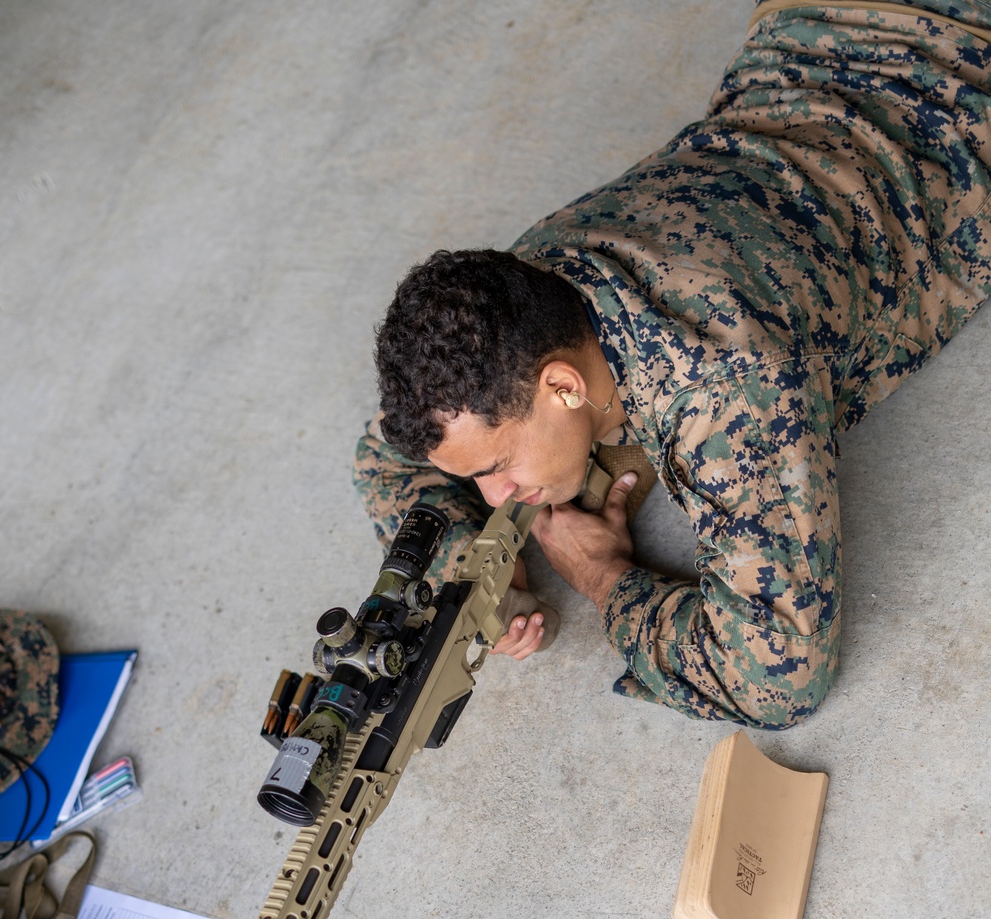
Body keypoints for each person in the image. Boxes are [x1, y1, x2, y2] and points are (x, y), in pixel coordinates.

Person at [354, 1, 991, 728]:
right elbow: (386, 456)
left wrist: (602, 576)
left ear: (562, 386)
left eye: (498, 465)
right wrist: (469, 574)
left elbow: (776, 676)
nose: (499, 496)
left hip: (962, 67)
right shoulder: (521, 298)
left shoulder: (725, 389)